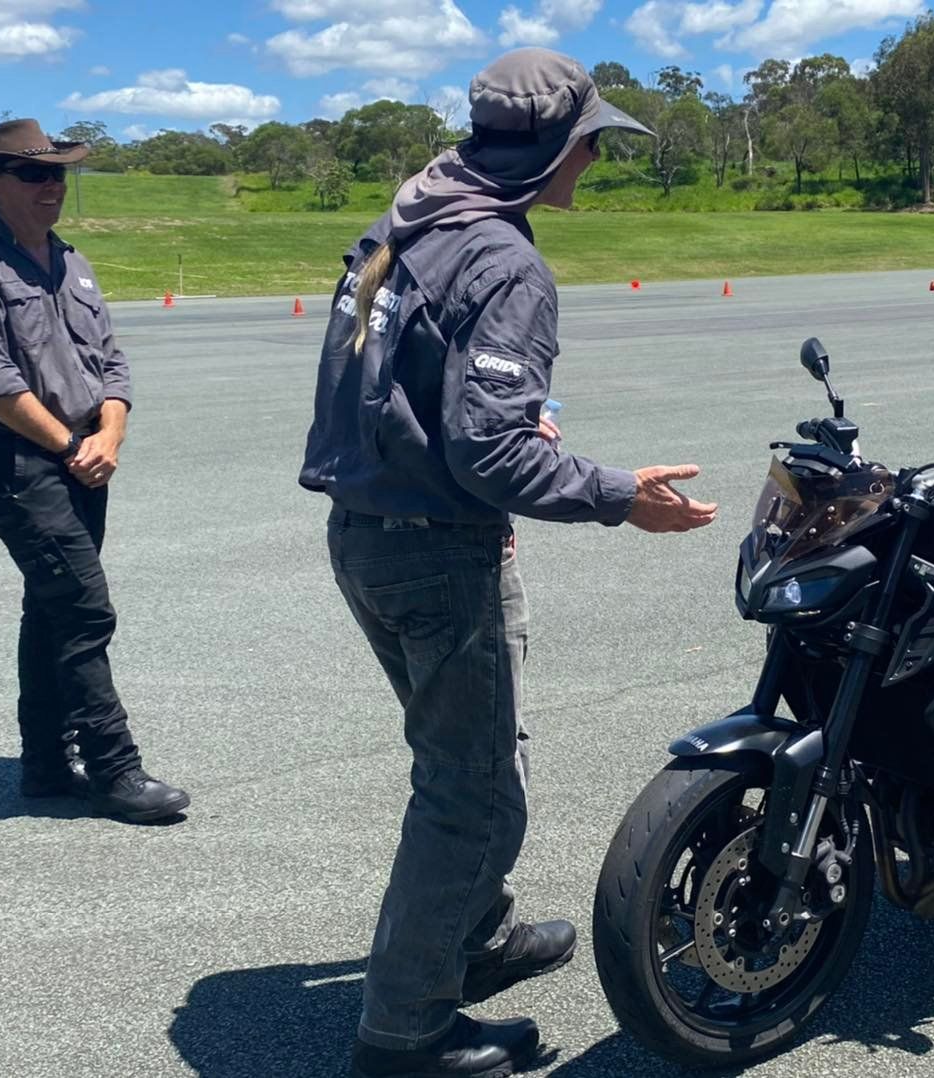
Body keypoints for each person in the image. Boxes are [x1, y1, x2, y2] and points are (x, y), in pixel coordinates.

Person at [299, 49, 718, 1078]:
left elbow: (374, 381)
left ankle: (468, 940)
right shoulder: (502, 260)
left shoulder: (408, 218)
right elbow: (489, 444)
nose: (595, 163)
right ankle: (402, 1033)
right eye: (592, 144)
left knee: (475, 759)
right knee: (473, 792)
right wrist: (624, 497)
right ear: (556, 146)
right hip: (435, 554)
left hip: (368, 530)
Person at [0, 119, 188, 824]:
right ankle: (112, 767)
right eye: (34, 174)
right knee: (84, 605)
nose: (51, 186)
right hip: (13, 458)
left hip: (85, 456)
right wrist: (70, 445)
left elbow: (113, 365)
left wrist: (109, 435)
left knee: (54, 604)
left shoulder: (73, 261)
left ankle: (43, 764)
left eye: (58, 174)